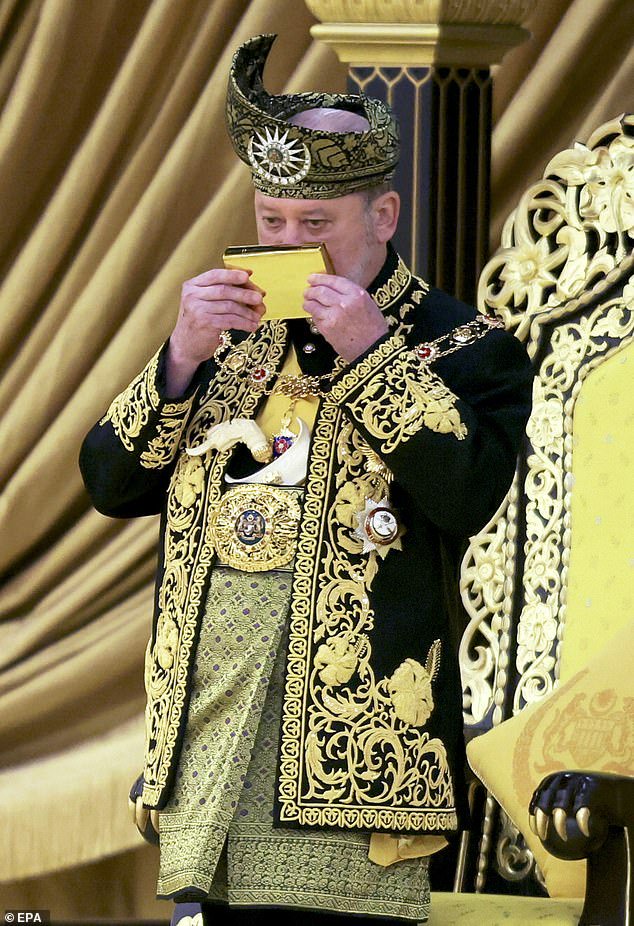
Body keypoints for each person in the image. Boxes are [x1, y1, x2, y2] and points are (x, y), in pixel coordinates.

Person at [80, 33, 533, 926]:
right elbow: (110, 482)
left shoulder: (469, 348)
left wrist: (373, 358)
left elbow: (467, 494)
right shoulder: (226, 338)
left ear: (386, 217)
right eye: (272, 222)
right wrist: (177, 359)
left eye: (316, 227)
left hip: (354, 761)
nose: (289, 247)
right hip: (206, 744)